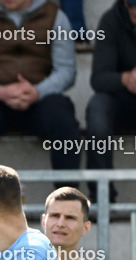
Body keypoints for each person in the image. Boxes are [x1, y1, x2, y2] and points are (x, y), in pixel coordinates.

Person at [0, 0, 82, 175]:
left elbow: (66, 71)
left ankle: (68, 196)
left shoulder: (55, 16)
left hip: (40, 101)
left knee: (62, 113)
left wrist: (38, 92)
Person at [85, 0, 136, 203]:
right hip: (122, 100)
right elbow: (98, 79)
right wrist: (126, 78)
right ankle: (102, 197)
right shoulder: (111, 21)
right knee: (97, 109)